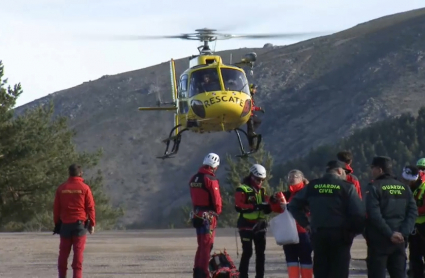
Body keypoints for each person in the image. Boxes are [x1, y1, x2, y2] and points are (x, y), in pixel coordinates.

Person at [288, 160, 365, 278]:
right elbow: (359, 213)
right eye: (345, 172)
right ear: (339, 171)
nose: (346, 175)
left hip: (318, 235)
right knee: (339, 271)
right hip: (341, 236)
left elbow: (293, 205)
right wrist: (353, 232)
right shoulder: (347, 187)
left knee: (321, 270)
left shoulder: (313, 186)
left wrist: (305, 224)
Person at [364, 156, 418, 278]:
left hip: (379, 241)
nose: (372, 171)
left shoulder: (374, 187)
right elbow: (413, 212)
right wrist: (403, 233)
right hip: (399, 242)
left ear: (380, 170)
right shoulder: (404, 187)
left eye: (373, 168)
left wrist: (389, 233)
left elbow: (373, 214)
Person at [53, 164, 96, 278]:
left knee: (63, 254)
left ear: (69, 173)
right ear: (80, 173)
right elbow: (90, 207)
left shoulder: (61, 188)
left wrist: (57, 223)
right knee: (78, 254)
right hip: (79, 225)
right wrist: (92, 224)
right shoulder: (85, 188)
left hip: (65, 225)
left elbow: (56, 208)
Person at [234, 164, 275, 278]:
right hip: (246, 224)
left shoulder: (262, 190)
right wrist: (255, 206)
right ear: (251, 176)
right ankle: (243, 275)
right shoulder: (242, 189)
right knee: (247, 252)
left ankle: (260, 276)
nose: (260, 182)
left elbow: (267, 204)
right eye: (258, 179)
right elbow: (238, 206)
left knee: (260, 253)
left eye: (262, 180)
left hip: (260, 225)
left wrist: (269, 207)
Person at [189, 152, 222, 278]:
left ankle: (197, 271)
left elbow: (193, 198)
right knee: (207, 245)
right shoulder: (210, 179)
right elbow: (217, 200)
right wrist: (217, 212)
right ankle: (203, 273)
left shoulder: (193, 179)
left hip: (197, 214)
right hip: (208, 216)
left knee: (201, 245)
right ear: (215, 166)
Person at [279, 170, 313, 278]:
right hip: (289, 232)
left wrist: (287, 206)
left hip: (303, 231)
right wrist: (274, 202)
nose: (292, 178)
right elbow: (276, 209)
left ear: (302, 178)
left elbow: (307, 208)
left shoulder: (307, 192)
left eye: (296, 176)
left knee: (305, 259)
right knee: (291, 260)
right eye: (290, 176)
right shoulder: (288, 193)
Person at [400, 165, 425, 278]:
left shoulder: (423, 187)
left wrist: (412, 210)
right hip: (413, 227)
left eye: (409, 180)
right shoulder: (407, 187)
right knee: (414, 258)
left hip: (423, 227)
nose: (407, 182)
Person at [246, 84, 264, 151]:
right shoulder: (248, 97)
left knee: (251, 130)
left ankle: (251, 146)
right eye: (254, 89)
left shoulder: (251, 97)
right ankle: (251, 145)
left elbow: (252, 107)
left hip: (250, 114)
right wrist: (259, 108)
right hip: (249, 115)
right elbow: (250, 107)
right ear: (251, 89)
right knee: (251, 131)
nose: (255, 90)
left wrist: (259, 108)